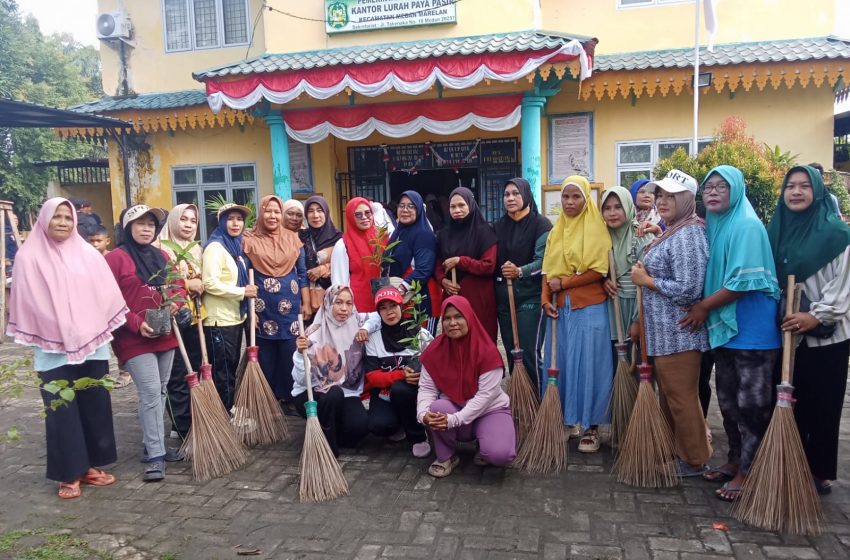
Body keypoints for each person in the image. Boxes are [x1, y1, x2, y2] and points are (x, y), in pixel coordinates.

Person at [7, 198, 127, 499]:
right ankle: (69, 472)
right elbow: (27, 302)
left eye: (68, 217)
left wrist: (85, 326)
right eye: (57, 217)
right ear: (44, 219)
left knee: (94, 403)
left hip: (93, 342)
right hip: (52, 345)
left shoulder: (88, 254)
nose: (63, 222)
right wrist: (62, 328)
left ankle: (90, 467)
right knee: (61, 408)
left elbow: (105, 293)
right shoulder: (28, 257)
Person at [675, 166, 782, 501]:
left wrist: (704, 307)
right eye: (708, 187)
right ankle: (736, 461)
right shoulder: (717, 226)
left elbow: (741, 282)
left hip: (752, 332)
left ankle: (750, 473)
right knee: (730, 403)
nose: (714, 192)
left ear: (736, 190)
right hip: (726, 329)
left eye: (722, 186)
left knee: (752, 406)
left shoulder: (747, 225)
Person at [767, 165, 850, 495]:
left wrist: (815, 316)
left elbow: (842, 285)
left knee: (824, 404)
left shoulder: (836, 234)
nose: (796, 192)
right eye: (790, 186)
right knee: (791, 400)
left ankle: (821, 472)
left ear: (817, 192)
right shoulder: (777, 231)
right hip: (789, 333)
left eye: (804, 186)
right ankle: (791, 463)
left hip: (827, 336)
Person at [630, 169, 711, 477]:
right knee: (672, 396)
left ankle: (694, 459)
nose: (662, 201)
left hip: (680, 333)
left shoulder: (690, 234)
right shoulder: (675, 229)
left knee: (681, 397)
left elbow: (690, 287)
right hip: (664, 333)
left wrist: (647, 280)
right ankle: (682, 452)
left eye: (671, 196)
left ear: (687, 199)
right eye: (660, 195)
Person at [105, 205, 184, 482]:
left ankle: (153, 445)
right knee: (150, 391)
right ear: (127, 228)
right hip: (133, 338)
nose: (146, 228)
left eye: (151, 224)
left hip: (165, 334)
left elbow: (178, 285)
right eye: (139, 223)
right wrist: (138, 324)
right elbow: (108, 300)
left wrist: (176, 302)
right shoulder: (116, 258)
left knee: (160, 391)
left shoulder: (161, 255)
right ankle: (155, 456)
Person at [541, 176, 613, 453]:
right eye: (566, 197)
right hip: (560, 309)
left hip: (591, 307)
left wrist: (567, 283)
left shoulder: (597, 228)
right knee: (563, 365)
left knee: (592, 365)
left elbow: (600, 270)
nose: (570, 203)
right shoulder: (556, 231)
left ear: (586, 200)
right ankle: (568, 420)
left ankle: (593, 426)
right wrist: (545, 298)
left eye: (576, 197)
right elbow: (548, 271)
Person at [417, 296, 516, 477]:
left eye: (458, 316)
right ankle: (447, 456)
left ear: (469, 317)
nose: (452, 323)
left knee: (500, 455)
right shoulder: (434, 350)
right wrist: (423, 414)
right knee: (437, 408)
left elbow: (485, 397)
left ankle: (485, 442)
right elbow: (427, 388)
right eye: (447, 318)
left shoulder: (487, 352)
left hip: (489, 410)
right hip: (454, 407)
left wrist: (454, 420)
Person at [243, 195, 309, 416]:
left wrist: (305, 302)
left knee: (290, 354)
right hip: (263, 309)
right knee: (266, 358)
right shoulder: (248, 239)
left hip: (290, 309)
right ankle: (267, 401)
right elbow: (244, 277)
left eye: (276, 212)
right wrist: (250, 309)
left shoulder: (292, 239)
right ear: (261, 213)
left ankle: (290, 398)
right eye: (268, 211)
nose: (272, 216)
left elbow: (301, 274)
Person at [292, 285, 370, 456]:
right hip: (313, 393)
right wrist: (300, 354)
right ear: (328, 303)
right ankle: (328, 447)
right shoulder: (312, 335)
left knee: (359, 427)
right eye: (339, 302)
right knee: (333, 394)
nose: (344, 309)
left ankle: (327, 429)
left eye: (349, 303)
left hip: (347, 391)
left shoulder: (357, 324)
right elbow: (300, 380)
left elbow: (379, 316)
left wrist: (367, 328)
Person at [362, 286, 433, 457]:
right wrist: (401, 374)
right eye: (383, 308)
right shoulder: (374, 338)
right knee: (379, 426)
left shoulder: (419, 334)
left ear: (401, 306)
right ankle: (400, 423)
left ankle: (418, 436)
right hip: (384, 393)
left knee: (401, 390)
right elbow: (372, 377)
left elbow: (435, 365)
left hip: (415, 392)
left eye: (393, 306)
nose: (389, 312)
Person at [494, 177, 552, 382]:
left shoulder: (541, 225)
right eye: (506, 194)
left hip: (531, 297)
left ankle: (537, 401)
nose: (510, 198)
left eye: (516, 193)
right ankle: (520, 401)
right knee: (512, 353)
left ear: (526, 195)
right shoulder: (498, 227)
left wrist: (520, 271)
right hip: (505, 298)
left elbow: (543, 262)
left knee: (528, 352)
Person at [155, 204, 204, 438]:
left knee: (193, 371)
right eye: (183, 219)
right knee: (175, 375)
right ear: (173, 221)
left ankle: (192, 419)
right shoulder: (160, 249)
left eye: (193, 221)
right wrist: (186, 285)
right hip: (172, 320)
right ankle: (180, 425)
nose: (187, 224)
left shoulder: (196, 250)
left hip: (195, 321)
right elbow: (158, 285)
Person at [202, 203, 255, 412]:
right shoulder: (215, 248)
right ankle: (225, 411)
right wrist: (243, 292)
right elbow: (210, 283)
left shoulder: (235, 246)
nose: (236, 223)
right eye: (231, 218)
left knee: (229, 366)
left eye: (240, 219)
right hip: (218, 320)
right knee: (222, 370)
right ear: (222, 222)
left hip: (234, 318)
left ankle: (228, 407)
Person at [435, 187, 498, 342]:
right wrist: (443, 280)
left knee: (480, 341)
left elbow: (488, 266)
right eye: (453, 206)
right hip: (453, 295)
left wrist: (461, 261)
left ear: (471, 204)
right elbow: (436, 264)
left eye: (461, 205)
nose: (457, 210)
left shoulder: (485, 232)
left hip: (479, 298)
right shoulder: (443, 234)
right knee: (454, 340)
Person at [601, 186, 656, 348]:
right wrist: (603, 280)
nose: (612, 213)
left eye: (618, 207)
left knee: (638, 359)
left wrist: (637, 320)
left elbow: (647, 284)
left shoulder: (641, 236)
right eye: (607, 208)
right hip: (612, 308)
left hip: (635, 306)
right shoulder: (601, 236)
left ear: (628, 207)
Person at [384, 190, 439, 332]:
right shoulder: (398, 232)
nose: (405, 210)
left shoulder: (424, 234)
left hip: (421, 300)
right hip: (402, 298)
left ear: (419, 209)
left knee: (422, 345)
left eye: (411, 206)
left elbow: (424, 269)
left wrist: (401, 288)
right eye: (401, 206)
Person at [331, 197, 386, 313]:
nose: (364, 218)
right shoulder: (343, 245)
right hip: (358, 308)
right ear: (350, 217)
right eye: (358, 215)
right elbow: (339, 283)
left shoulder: (382, 238)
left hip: (384, 303)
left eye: (367, 213)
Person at [304, 195, 341, 314]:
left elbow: (346, 265)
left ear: (326, 212)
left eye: (319, 210)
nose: (315, 215)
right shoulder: (301, 237)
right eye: (310, 211)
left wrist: (323, 269)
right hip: (308, 301)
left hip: (334, 298)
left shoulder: (339, 239)